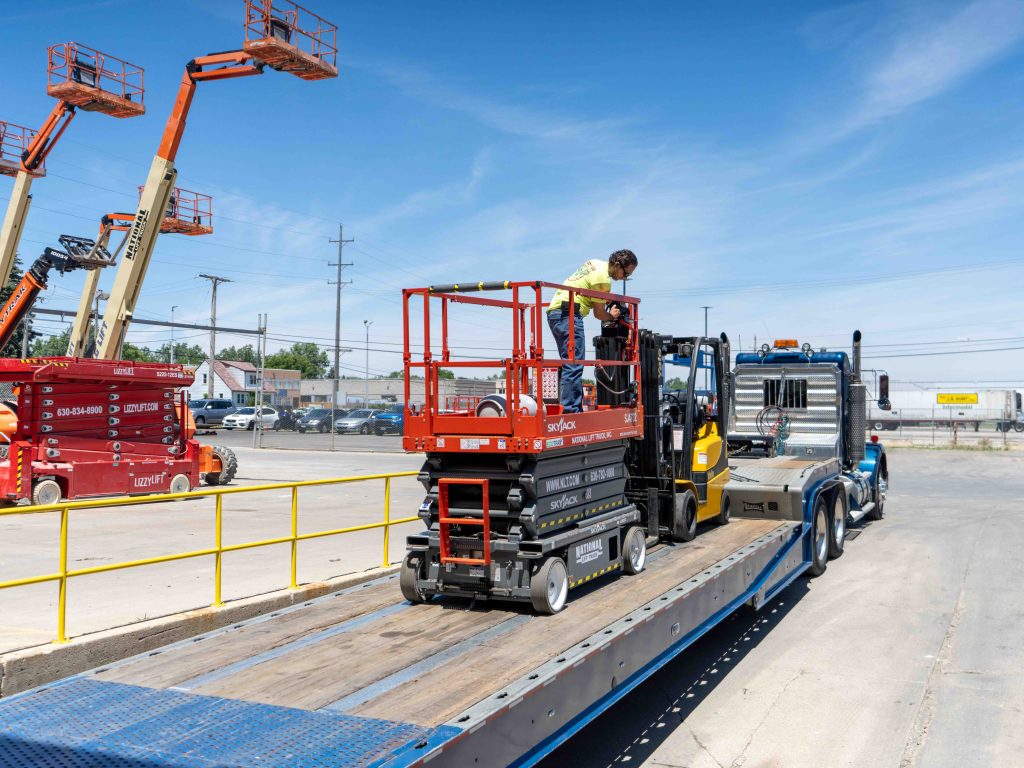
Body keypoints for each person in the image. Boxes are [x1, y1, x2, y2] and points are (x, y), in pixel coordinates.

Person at [547, 249, 638, 413]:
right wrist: (612, 315)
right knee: (574, 364)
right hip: (570, 315)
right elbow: (599, 314)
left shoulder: (596, 263)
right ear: (617, 265)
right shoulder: (603, 280)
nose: (623, 278)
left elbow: (585, 284)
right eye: (625, 274)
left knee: (570, 362)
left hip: (556, 313)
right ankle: (571, 411)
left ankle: (573, 407)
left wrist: (603, 298)